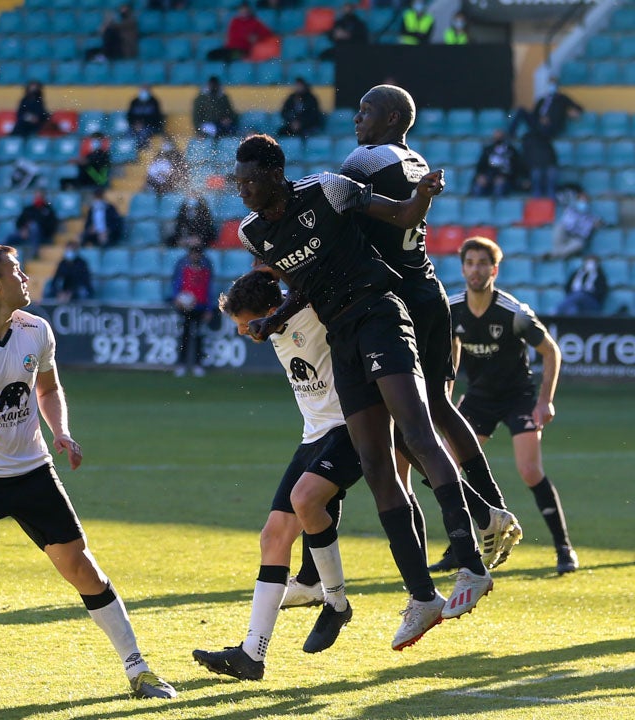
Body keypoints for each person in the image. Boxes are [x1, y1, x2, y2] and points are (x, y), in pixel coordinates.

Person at [235, 133, 495, 649]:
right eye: (237, 180)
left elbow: (399, 215)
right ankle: (423, 598)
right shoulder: (254, 233)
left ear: (273, 173)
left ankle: (470, 565)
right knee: (376, 464)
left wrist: (422, 195)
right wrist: (274, 319)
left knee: (419, 435)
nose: (240, 189)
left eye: (248, 179)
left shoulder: (328, 189)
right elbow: (305, 285)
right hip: (343, 336)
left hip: (379, 314)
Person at [0, 243, 177, 701]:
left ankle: (139, 669)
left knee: (80, 567)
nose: (26, 278)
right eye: (16, 271)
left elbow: (48, 389)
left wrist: (61, 432)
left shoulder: (37, 330)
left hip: (32, 469)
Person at [341, 85, 521, 579]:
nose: (357, 118)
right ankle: (494, 510)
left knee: (400, 429)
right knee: (438, 406)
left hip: (394, 300)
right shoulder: (414, 159)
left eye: (366, 110)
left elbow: (335, 209)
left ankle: (480, 517)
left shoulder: (366, 158)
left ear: (393, 116)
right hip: (428, 289)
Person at [193, 271, 363, 679]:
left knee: (306, 501)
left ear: (271, 312)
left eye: (246, 323)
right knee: (272, 536)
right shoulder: (271, 327)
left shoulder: (314, 313)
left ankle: (336, 604)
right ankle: (252, 654)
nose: (243, 332)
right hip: (314, 436)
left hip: (353, 427)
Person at [450, 237, 578, 575]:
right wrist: (445, 399)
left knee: (529, 470)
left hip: (517, 396)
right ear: (462, 268)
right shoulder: (452, 308)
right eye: (470, 263)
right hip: (478, 397)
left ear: (494, 270)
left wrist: (544, 401)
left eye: (482, 264)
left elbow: (551, 352)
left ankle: (564, 549)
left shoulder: (514, 313)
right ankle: (459, 548)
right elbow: (452, 354)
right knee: (447, 468)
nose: (475, 270)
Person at [169, 243, 214, 377]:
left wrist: (209, 309)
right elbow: (177, 286)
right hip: (186, 308)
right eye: (193, 253)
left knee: (199, 337)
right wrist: (176, 298)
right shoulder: (184, 269)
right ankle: (181, 364)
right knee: (185, 336)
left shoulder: (205, 271)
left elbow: (209, 291)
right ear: (190, 255)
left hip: (200, 308)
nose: (195, 256)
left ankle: (198, 364)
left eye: (198, 253)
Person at [509, 78, 583, 140]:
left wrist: (571, 111)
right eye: (550, 84)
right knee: (521, 110)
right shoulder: (542, 100)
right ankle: (510, 135)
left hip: (552, 125)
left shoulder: (562, 99)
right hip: (538, 123)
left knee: (541, 130)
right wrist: (540, 119)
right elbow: (534, 113)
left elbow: (579, 107)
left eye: (553, 85)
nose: (551, 87)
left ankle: (534, 136)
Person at [206, 2, 273, 62]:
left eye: (245, 9)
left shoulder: (254, 22)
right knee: (211, 54)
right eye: (242, 9)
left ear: (249, 10)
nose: (243, 11)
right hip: (230, 48)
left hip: (242, 50)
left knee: (231, 55)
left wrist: (257, 38)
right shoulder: (235, 21)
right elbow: (233, 35)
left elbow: (267, 33)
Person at [546, 191, 601, 259]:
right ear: (577, 201)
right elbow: (566, 224)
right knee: (558, 226)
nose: (583, 203)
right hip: (565, 235)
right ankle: (559, 254)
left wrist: (597, 224)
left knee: (579, 244)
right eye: (581, 201)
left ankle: (554, 255)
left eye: (585, 201)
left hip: (575, 239)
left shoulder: (592, 218)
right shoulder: (569, 210)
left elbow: (600, 225)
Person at [472, 130, 521, 198]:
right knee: (478, 187)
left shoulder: (511, 151)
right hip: (489, 176)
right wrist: (481, 176)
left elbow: (516, 168)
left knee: (499, 187)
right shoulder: (488, 150)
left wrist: (505, 177)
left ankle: (499, 207)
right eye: (496, 137)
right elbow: (480, 166)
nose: (497, 139)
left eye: (500, 137)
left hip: (506, 178)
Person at [15, 191, 59, 259]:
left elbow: (51, 226)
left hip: (43, 236)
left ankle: (34, 253)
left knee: (34, 227)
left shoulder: (49, 210)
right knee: (11, 236)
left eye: (40, 197)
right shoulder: (28, 209)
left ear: (44, 198)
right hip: (26, 234)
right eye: (36, 197)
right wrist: (23, 229)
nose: (38, 198)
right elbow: (19, 222)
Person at [521, 125, 558, 199]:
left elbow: (553, 159)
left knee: (551, 172)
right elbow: (524, 163)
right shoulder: (527, 149)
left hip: (548, 166)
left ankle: (550, 198)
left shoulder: (547, 145)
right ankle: (537, 199)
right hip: (534, 169)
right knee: (536, 173)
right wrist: (525, 177)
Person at [126, 84, 164, 151]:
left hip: (150, 126)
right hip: (135, 126)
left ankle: (142, 149)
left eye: (145, 90)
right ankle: (130, 151)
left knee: (143, 132)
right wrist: (135, 124)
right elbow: (129, 116)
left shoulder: (154, 102)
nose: (143, 92)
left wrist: (143, 124)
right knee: (129, 133)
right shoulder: (134, 101)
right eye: (142, 89)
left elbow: (157, 117)